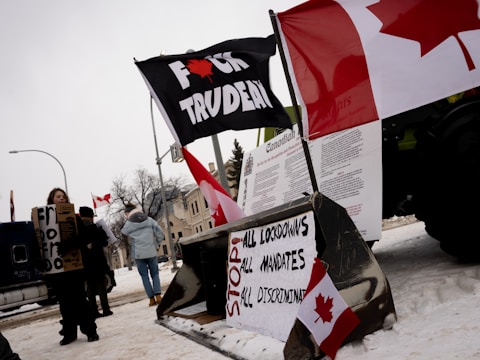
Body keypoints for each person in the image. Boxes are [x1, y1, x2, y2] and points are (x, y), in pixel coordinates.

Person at [45, 188, 99, 345]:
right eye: (58, 196)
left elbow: (84, 238)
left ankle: (90, 330)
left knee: (80, 300)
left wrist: (69, 245)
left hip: (74, 267)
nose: (61, 199)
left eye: (63, 197)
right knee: (64, 303)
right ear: (51, 199)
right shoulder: (43, 219)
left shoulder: (74, 218)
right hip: (57, 270)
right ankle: (69, 333)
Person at [121, 202, 164, 306]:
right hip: (151, 251)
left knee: (144, 276)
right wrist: (156, 244)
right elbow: (160, 233)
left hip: (138, 254)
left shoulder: (129, 223)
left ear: (128, 213)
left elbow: (124, 232)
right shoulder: (149, 220)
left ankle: (151, 299)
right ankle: (158, 296)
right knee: (155, 274)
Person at [79, 206, 113, 318]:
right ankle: (106, 309)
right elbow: (105, 241)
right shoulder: (96, 228)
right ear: (91, 216)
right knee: (101, 286)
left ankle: (93, 310)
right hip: (98, 262)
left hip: (85, 263)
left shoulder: (77, 229)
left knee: (90, 287)